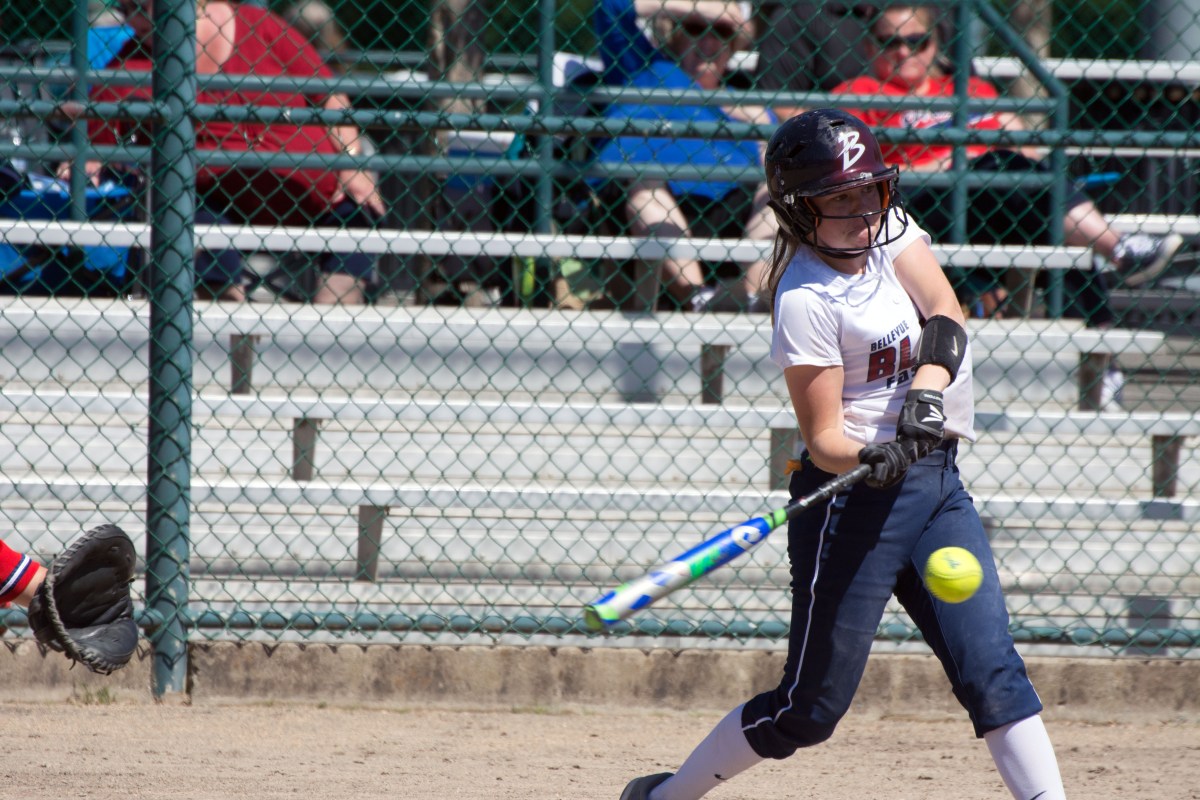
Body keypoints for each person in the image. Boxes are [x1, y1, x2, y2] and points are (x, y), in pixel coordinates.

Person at [618, 109, 1067, 799]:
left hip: (936, 486)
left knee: (993, 671)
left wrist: (926, 393)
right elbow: (825, 439)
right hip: (852, 501)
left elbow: (946, 311)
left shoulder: (889, 232)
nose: (863, 210)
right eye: (840, 197)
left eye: (870, 189)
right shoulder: (804, 298)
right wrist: (873, 455)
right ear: (800, 211)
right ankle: (663, 796)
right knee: (810, 709)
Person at [831, 4, 1184, 322]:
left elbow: (1024, 150)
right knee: (1011, 175)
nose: (904, 51)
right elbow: (864, 177)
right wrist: (956, 162)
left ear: (935, 43)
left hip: (999, 198)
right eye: (889, 42)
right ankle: (1118, 249)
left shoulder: (969, 88)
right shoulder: (859, 93)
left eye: (916, 41)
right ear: (870, 47)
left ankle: (1098, 352)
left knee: (1047, 222)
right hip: (926, 204)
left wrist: (981, 160)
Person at [79, 0, 383, 305]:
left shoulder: (258, 24)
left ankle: (327, 326)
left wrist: (351, 163)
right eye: (125, 10)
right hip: (216, 200)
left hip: (310, 192)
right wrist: (87, 156)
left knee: (358, 210)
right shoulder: (132, 62)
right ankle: (229, 326)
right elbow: (94, 135)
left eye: (142, 6)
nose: (134, 20)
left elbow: (330, 97)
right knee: (186, 211)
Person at [593, 0, 777, 312]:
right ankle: (698, 300)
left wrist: (763, 134)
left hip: (731, 213)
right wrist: (699, 7)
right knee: (646, 187)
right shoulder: (644, 68)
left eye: (721, 32)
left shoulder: (748, 106)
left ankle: (752, 299)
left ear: (733, 45)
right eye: (696, 28)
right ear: (676, 34)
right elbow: (609, 7)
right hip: (653, 205)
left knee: (777, 194)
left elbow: (773, 168)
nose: (709, 42)